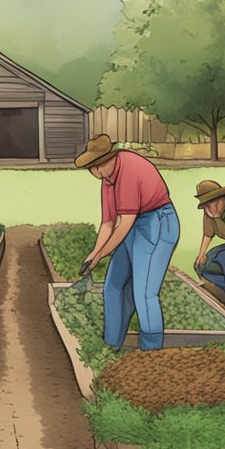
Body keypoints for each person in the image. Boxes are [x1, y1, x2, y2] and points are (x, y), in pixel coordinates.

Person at [77, 134, 180, 351]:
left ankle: (151, 353)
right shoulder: (107, 180)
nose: (94, 172)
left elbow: (123, 225)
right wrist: (94, 254)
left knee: (144, 292)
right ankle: (111, 344)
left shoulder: (129, 170)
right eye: (91, 168)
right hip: (133, 225)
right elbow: (107, 223)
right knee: (112, 285)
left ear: (108, 160)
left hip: (157, 222)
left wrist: (100, 255)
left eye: (96, 166)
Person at [195, 180, 225, 308]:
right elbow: (208, 234)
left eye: (216, 203)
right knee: (202, 264)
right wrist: (201, 254)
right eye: (207, 206)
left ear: (224, 199)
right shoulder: (209, 215)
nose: (212, 209)